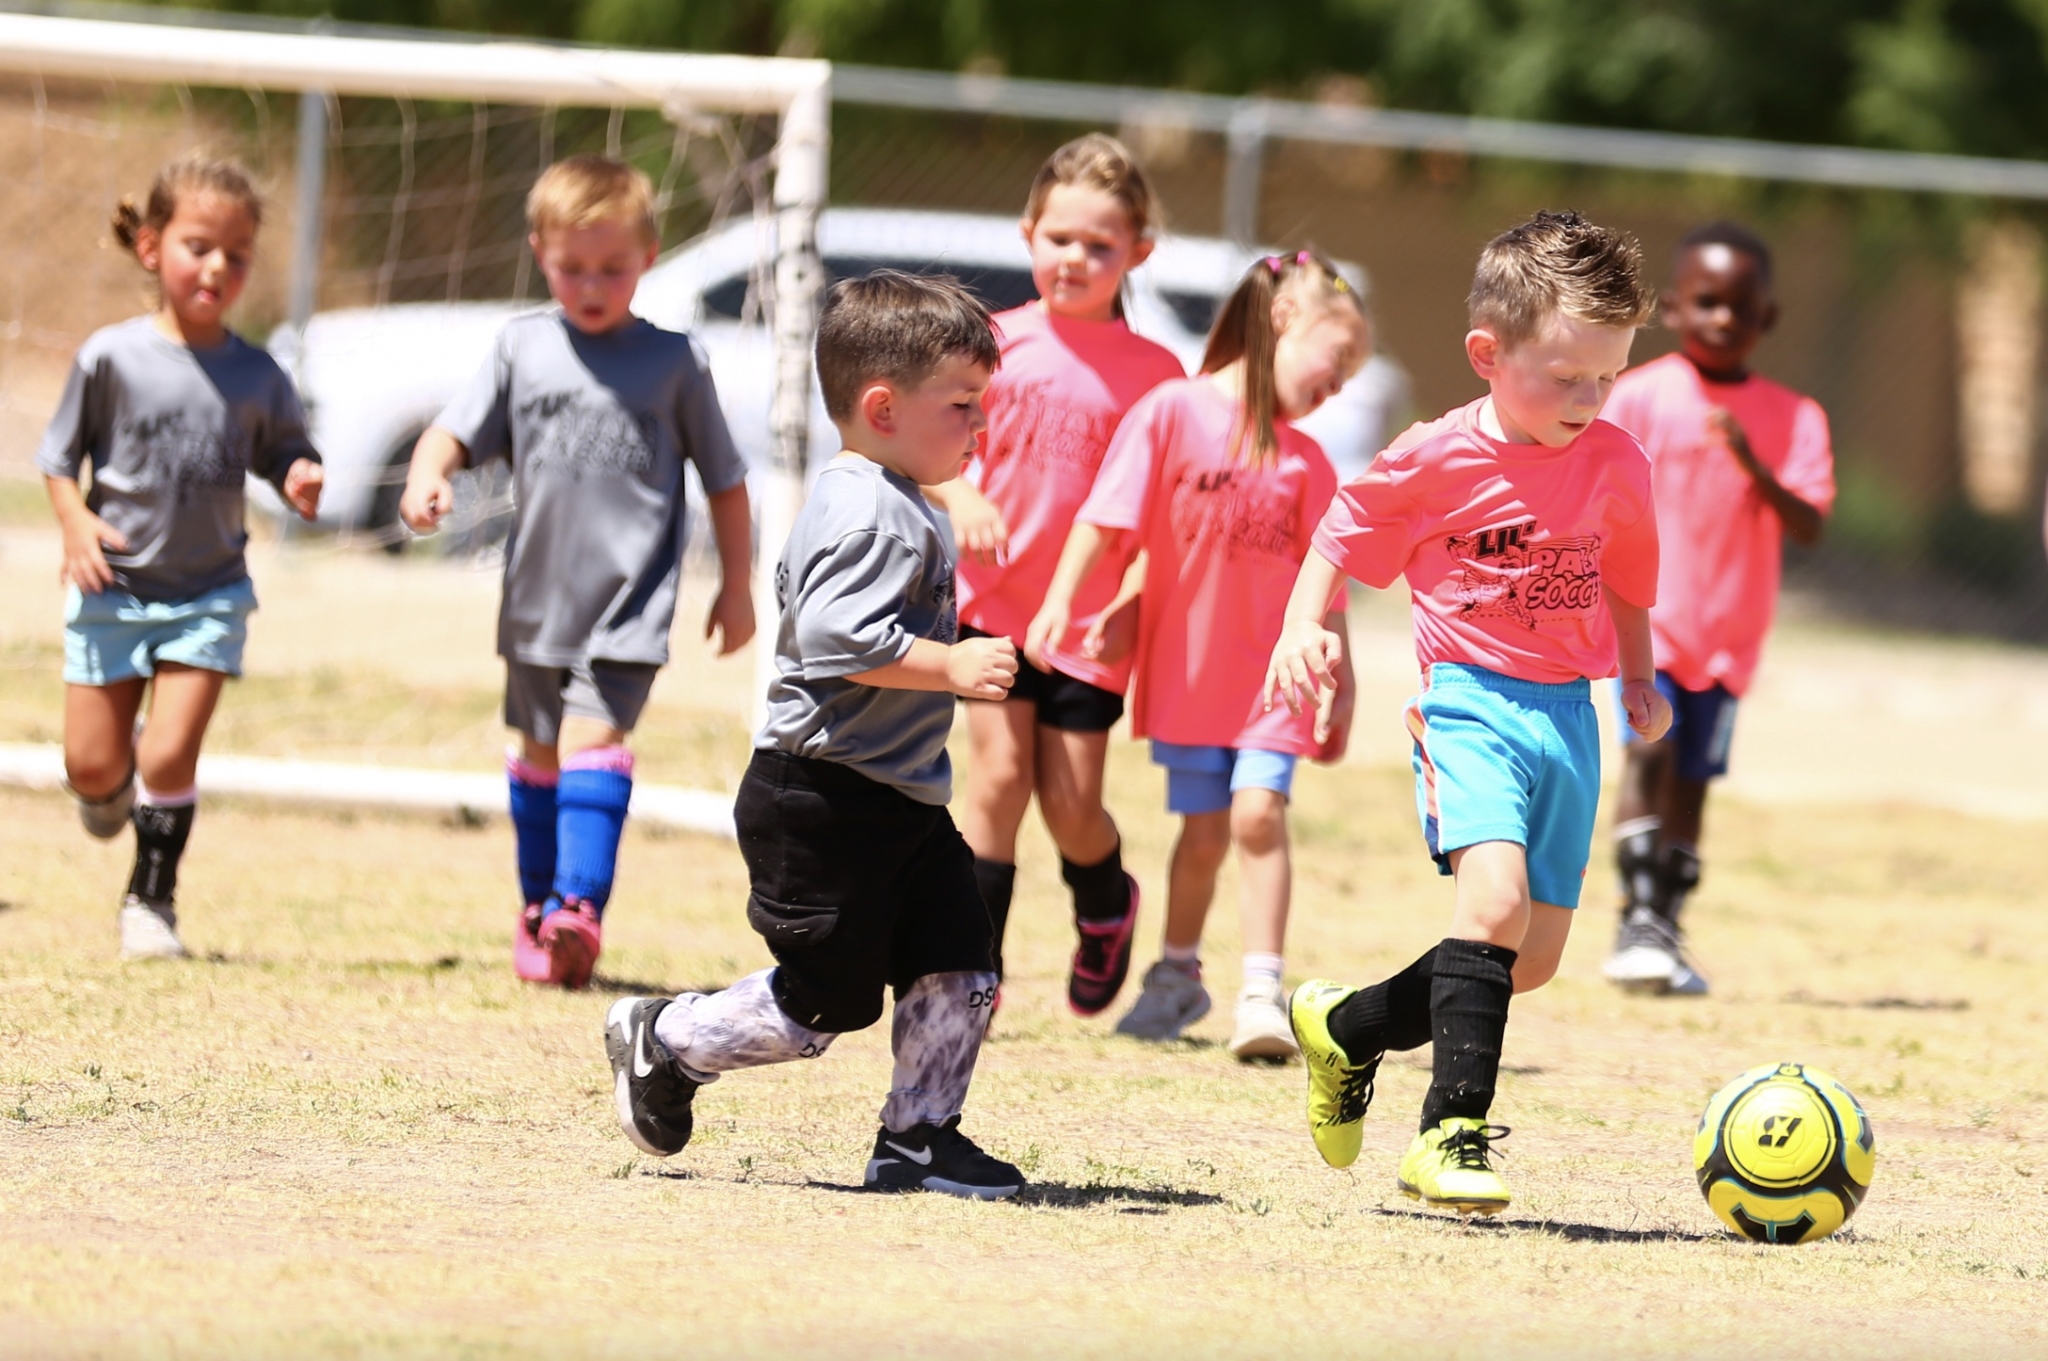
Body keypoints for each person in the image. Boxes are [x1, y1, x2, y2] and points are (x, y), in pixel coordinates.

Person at [1267, 211, 1670, 1213]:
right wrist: (1297, 627)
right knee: (1488, 906)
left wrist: (1637, 675)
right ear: (1486, 355)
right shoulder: (1431, 455)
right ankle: (1448, 1132)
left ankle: (1349, 1027)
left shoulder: (1616, 462)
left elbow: (1624, 575)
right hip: (1469, 704)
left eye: (1606, 378)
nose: (1587, 399)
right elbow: (1339, 529)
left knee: (1524, 961)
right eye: (1564, 374)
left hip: (1569, 718)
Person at [603, 271, 1027, 1199]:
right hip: (821, 798)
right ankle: (667, 1036)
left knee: (961, 962)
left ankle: (920, 1139)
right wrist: (951, 665)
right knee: (827, 1003)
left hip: (901, 797)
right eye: (962, 405)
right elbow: (834, 638)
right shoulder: (865, 505)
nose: (977, 425)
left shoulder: (899, 493)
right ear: (883, 406)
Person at [399, 155, 754, 989]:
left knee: (595, 740)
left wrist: (736, 587)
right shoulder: (521, 345)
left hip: (628, 606)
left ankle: (579, 908)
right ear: (539, 252)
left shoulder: (675, 363)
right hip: (534, 602)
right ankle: (538, 912)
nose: (592, 285)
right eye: (572, 268)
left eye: (612, 268)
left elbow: (728, 481)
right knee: (539, 755)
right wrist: (428, 475)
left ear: (650, 256)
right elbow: (451, 433)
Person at [1027, 250, 1368, 1061]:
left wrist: (1341, 681)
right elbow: (1108, 519)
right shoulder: (1171, 411)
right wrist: (1062, 602)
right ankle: (1178, 974)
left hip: (1276, 680)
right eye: (1338, 357)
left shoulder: (1309, 462)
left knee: (1258, 815)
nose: (1343, 382)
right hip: (1188, 674)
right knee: (1206, 831)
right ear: (1285, 322)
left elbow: (1330, 588)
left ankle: (1262, 989)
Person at [923, 134, 1184, 1016]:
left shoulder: (1159, 379)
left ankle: (1106, 902)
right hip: (990, 605)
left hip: (1090, 624)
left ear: (1138, 251)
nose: (1076, 258)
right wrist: (961, 496)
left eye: (1100, 245)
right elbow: (930, 451)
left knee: (1072, 805)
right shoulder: (991, 344)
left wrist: (1132, 595)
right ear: (1028, 232)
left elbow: (1166, 514)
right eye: (1060, 238)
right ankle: (973, 976)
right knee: (996, 781)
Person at [39, 156, 324, 961]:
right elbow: (59, 461)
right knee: (94, 769)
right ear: (152, 247)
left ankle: (151, 901)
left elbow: (286, 451)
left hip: (210, 591)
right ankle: (106, 793)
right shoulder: (109, 358)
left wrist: (298, 474)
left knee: (168, 751)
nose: (218, 268)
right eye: (200, 246)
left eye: (237, 255)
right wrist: (74, 525)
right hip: (114, 585)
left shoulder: (258, 373)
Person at [1598, 222, 1832, 997]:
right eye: (1706, 303)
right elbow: (1594, 490)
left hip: (1728, 638)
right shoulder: (1639, 395)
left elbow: (1809, 522)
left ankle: (1667, 917)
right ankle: (1634, 914)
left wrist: (1750, 462)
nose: (1722, 320)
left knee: (1693, 778)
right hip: (1648, 625)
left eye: (1739, 307)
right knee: (1649, 753)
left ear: (1767, 317)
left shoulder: (1795, 416)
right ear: (1671, 307)